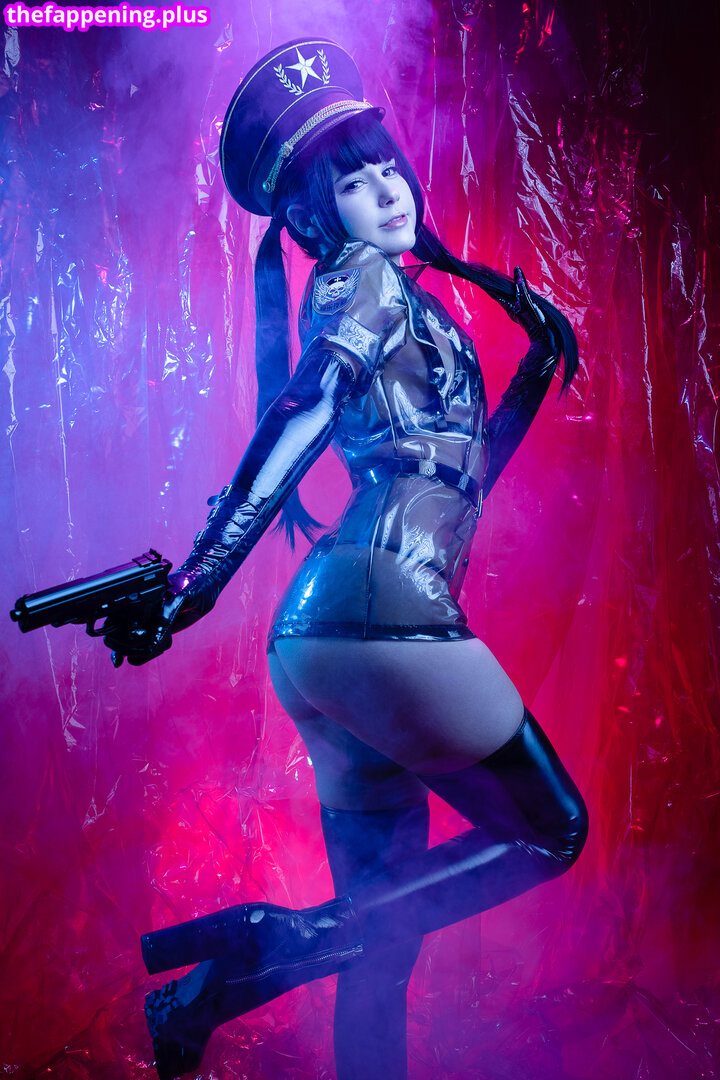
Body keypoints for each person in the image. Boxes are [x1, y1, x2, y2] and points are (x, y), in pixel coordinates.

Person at [107, 38, 588, 1080]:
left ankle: (237, 982)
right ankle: (257, 951)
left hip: (330, 634)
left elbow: (457, 480)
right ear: (315, 218)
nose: (387, 191)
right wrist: (192, 584)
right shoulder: (363, 278)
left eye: (387, 169)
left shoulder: (398, 296)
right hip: (384, 611)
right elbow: (306, 407)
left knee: (383, 943)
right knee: (552, 832)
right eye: (355, 183)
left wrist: (531, 371)